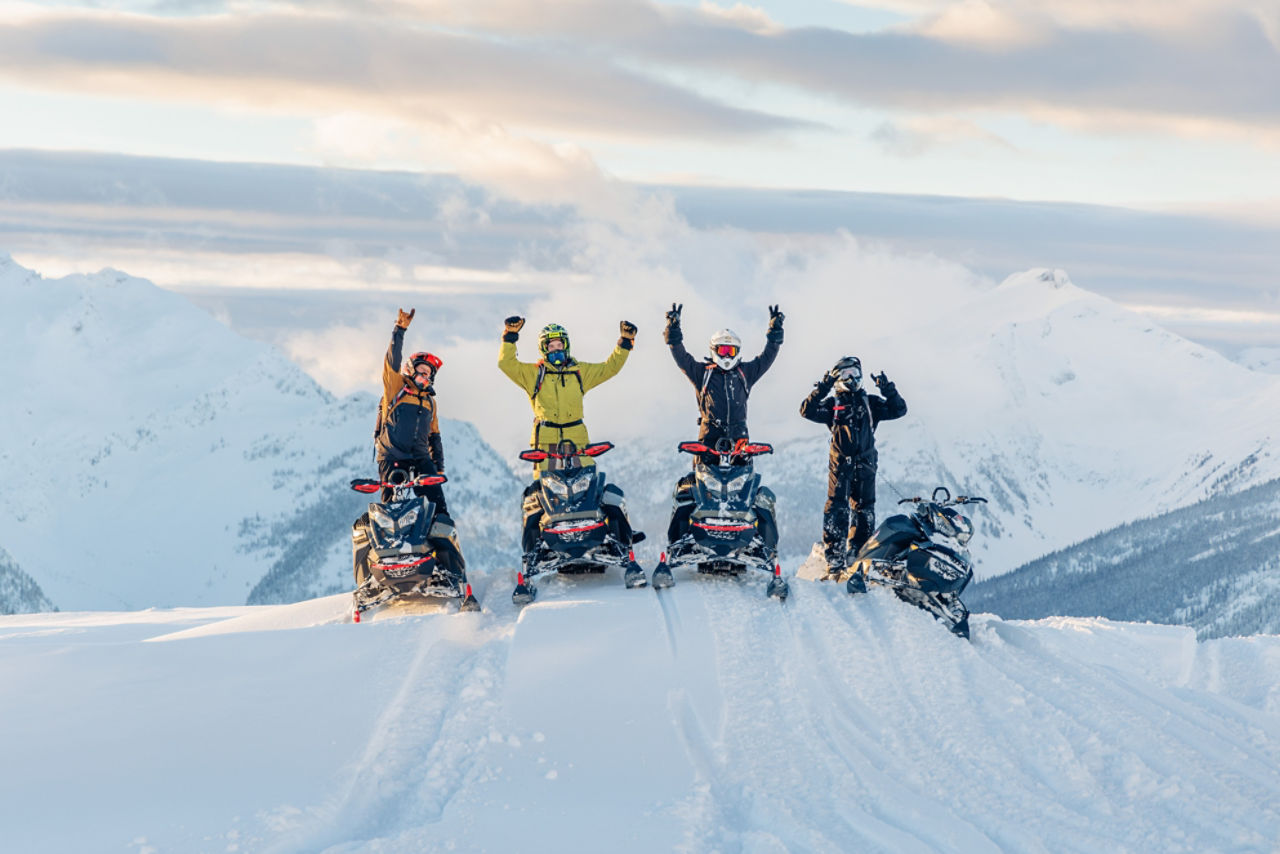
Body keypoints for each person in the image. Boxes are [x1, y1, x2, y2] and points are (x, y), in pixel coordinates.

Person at [498, 315, 641, 557]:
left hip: (578, 442)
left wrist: (625, 342)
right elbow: (506, 364)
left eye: (560, 345)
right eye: (551, 346)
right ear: (544, 349)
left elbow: (609, 368)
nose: (556, 350)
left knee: (591, 489)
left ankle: (618, 538)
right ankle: (535, 551)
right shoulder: (534, 374)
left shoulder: (579, 371)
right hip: (546, 443)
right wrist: (509, 336)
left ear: (567, 346)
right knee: (542, 496)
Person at [352, 307, 464, 585]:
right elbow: (391, 361)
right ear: (411, 370)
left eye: (430, 374)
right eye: (422, 371)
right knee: (389, 512)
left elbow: (434, 435)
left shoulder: (429, 402)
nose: (426, 376)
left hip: (420, 457)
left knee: (437, 508)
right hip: (392, 457)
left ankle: (446, 566)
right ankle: (384, 571)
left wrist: (437, 467)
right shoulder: (395, 389)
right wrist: (399, 331)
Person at [663, 303, 784, 547]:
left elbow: (767, 358)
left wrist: (775, 334)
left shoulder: (745, 373)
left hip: (740, 438)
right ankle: (684, 540)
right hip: (708, 438)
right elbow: (681, 357)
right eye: (723, 350)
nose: (727, 356)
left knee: (745, 489)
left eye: (732, 351)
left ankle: (755, 540)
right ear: (714, 350)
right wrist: (673, 331)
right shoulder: (703, 373)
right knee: (699, 488)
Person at [800, 356, 907, 576]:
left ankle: (860, 552)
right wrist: (823, 387)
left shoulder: (871, 403)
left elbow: (899, 410)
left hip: (866, 463)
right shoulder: (833, 405)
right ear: (838, 378)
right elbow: (806, 410)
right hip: (841, 463)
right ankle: (835, 556)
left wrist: (888, 389)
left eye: (856, 373)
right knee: (837, 508)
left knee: (865, 509)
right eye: (847, 374)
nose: (853, 378)